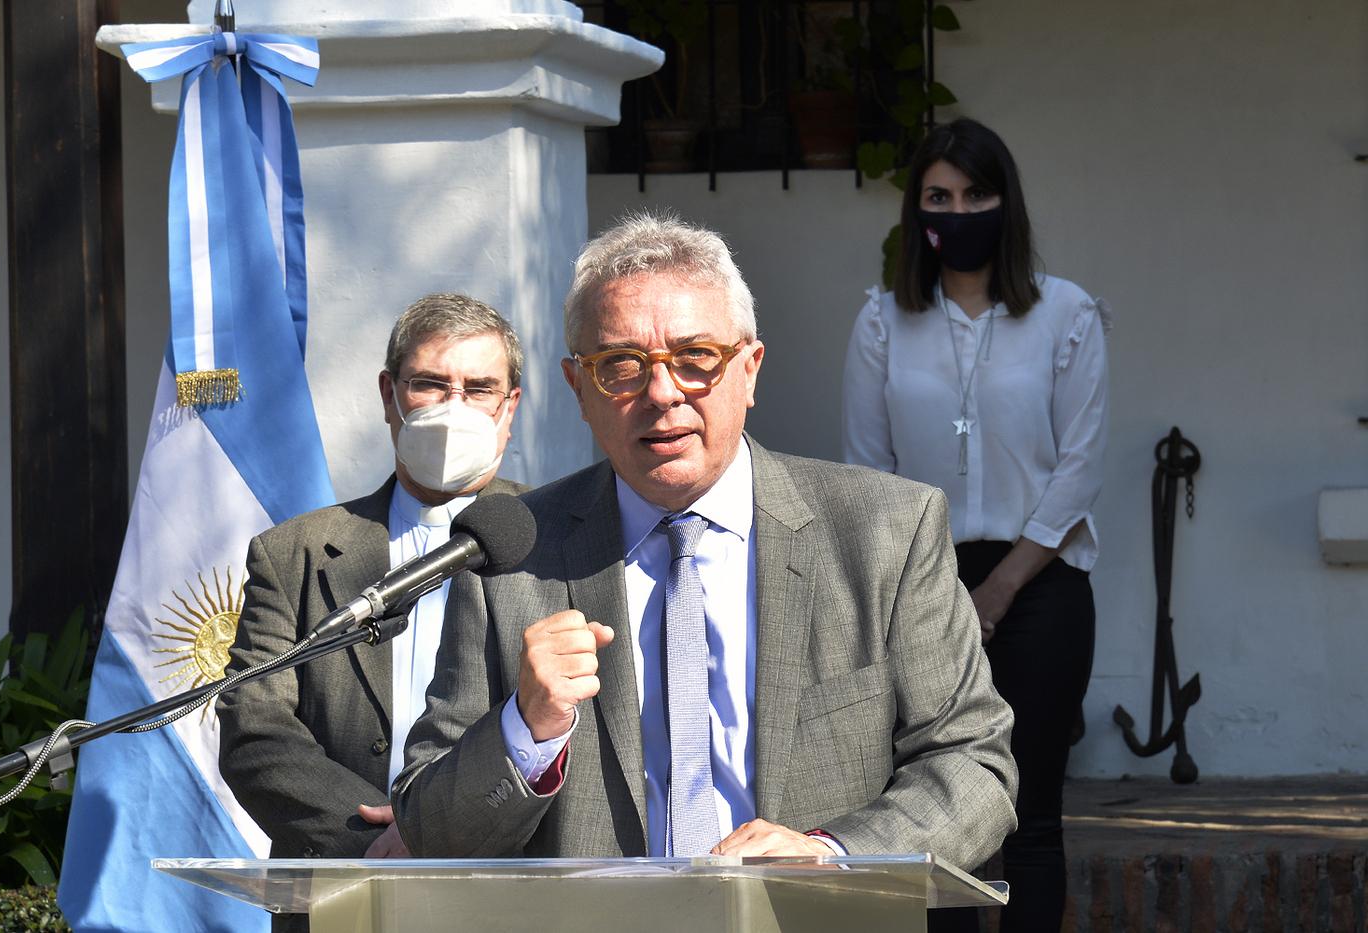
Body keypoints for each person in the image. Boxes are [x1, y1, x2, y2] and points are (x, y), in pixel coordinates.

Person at [392, 213, 1017, 869]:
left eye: (695, 359)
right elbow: (433, 831)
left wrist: (830, 853)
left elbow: (972, 764)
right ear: (579, 386)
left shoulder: (886, 530)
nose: (663, 393)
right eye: (621, 366)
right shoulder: (512, 555)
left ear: (749, 369)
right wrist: (527, 727)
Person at [841, 118, 1109, 931]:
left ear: (1006, 202)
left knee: (1031, 815)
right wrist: (935, 595)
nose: (959, 213)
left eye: (976, 195)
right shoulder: (884, 321)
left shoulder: (1066, 314)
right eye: (939, 197)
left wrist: (997, 588)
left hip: (1040, 585)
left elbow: (1080, 468)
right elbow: (864, 473)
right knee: (937, 820)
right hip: (918, 585)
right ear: (917, 211)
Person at [217, 294, 525, 927]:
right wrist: (379, 842)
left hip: (512, 889)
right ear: (389, 395)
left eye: (479, 388)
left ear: (509, 407)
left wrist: (447, 829)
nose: (453, 406)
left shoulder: (561, 540)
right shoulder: (293, 552)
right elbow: (254, 724)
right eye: (430, 385)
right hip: (342, 893)